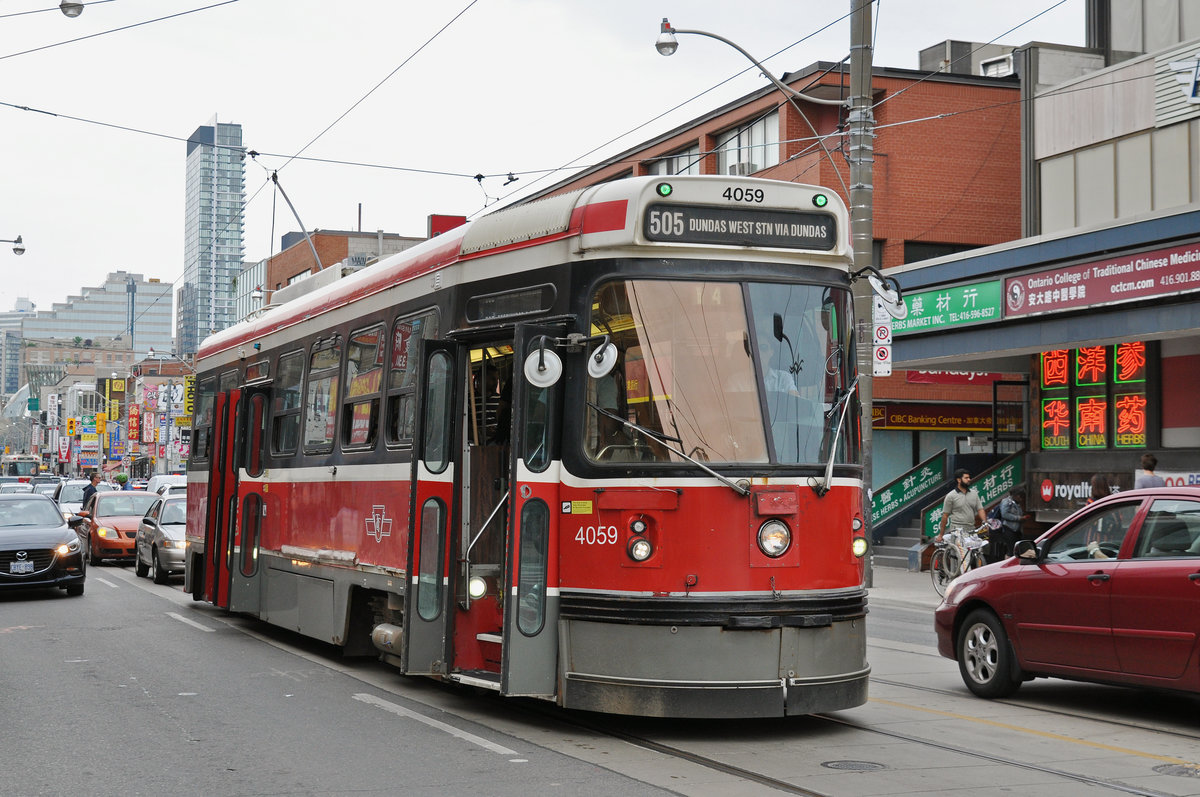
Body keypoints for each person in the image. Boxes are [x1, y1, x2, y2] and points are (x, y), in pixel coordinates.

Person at [935, 468, 986, 543]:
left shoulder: (974, 493)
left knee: (976, 551)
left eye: (969, 477)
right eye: (966, 478)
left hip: (971, 528)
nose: (969, 479)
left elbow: (980, 509)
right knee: (962, 553)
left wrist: (985, 522)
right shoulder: (951, 496)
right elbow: (945, 516)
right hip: (957, 530)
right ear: (959, 480)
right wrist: (941, 534)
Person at [991, 487, 1028, 561]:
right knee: (1011, 550)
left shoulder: (1016, 503)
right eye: (1020, 496)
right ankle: (1008, 564)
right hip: (1008, 528)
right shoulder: (1007, 502)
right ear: (1016, 495)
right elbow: (1005, 514)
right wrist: (1018, 518)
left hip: (1016, 529)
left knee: (1015, 549)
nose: (1021, 499)